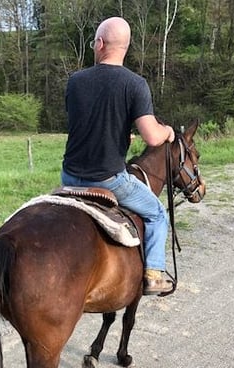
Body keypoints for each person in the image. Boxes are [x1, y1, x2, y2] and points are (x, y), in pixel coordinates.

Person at [61, 16, 176, 296]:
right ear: (124, 47)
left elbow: (86, 125)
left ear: (99, 44)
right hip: (109, 180)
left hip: (70, 176)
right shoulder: (135, 84)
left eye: (93, 42)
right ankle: (153, 274)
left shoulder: (75, 81)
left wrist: (120, 136)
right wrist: (168, 131)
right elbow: (152, 137)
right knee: (158, 214)